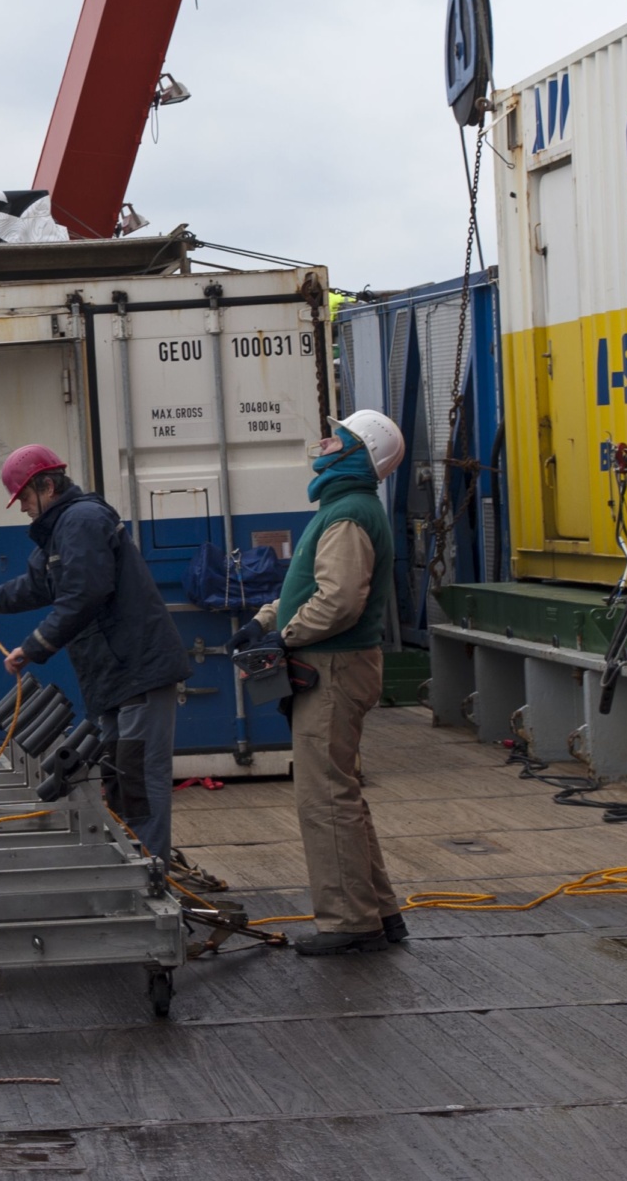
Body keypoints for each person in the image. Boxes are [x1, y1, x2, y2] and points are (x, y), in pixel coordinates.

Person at [0, 444, 191, 859]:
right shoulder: (62, 529)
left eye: (25, 498)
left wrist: (33, 648)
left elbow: (85, 593)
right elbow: (39, 585)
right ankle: (134, 864)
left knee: (138, 775)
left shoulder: (80, 521)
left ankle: (151, 875)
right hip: (115, 674)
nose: (23, 508)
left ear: (47, 486)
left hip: (136, 669)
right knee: (120, 774)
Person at [234, 409, 407, 955]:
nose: (325, 442)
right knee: (343, 796)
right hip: (335, 665)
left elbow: (339, 600)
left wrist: (283, 636)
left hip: (333, 669)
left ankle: (351, 924)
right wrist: (264, 620)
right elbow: (305, 586)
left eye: (339, 437)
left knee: (326, 800)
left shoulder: (350, 514)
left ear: (359, 453)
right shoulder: (341, 508)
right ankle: (378, 913)